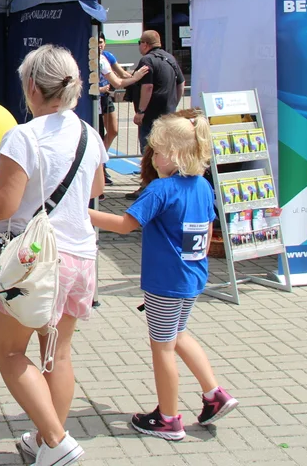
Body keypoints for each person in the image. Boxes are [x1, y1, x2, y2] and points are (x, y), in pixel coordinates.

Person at [0, 45, 107, 466]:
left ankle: (58, 441)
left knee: (8, 352)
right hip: (80, 256)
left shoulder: (23, 137)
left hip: (33, 263)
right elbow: (96, 188)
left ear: (31, 86)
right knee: (56, 354)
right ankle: (46, 445)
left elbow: (2, 206)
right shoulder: (89, 133)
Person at [88, 113, 238, 441]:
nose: (151, 157)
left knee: (163, 347)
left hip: (166, 283)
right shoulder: (202, 186)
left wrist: (79, 213)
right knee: (179, 334)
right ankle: (214, 394)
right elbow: (208, 228)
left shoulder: (161, 189)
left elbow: (126, 225)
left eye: (155, 151)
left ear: (173, 154)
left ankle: (169, 418)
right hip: (192, 278)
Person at [126, 30, 185, 199]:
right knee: (164, 150)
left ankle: (147, 187)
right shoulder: (170, 59)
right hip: (167, 115)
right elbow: (181, 83)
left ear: (145, 44)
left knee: (148, 151)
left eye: (139, 43)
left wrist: (141, 111)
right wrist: (173, 103)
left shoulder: (147, 60)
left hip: (150, 116)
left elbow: (147, 87)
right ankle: (164, 185)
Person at [97, 37, 149, 185]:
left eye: (101, 42)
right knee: (97, 135)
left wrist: (136, 77)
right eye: (97, 42)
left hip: (105, 98)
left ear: (105, 43)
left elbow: (121, 75)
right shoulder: (89, 56)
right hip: (93, 99)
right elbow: (117, 82)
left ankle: (101, 159)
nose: (100, 45)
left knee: (113, 131)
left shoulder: (106, 57)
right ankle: (100, 167)